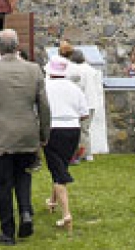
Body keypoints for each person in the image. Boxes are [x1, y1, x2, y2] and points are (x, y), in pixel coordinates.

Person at [0, 29, 51, 245]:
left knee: (3, 183)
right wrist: (44, 133)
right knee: (24, 176)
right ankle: (25, 212)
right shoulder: (34, 70)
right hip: (28, 132)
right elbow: (44, 105)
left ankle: (7, 231)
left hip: (2, 134)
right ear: (17, 45)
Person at [41, 56, 88, 235]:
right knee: (61, 165)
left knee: (58, 170)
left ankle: (66, 213)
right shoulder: (74, 88)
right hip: (73, 129)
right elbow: (84, 113)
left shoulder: (44, 87)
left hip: (52, 129)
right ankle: (53, 201)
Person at [67, 49, 101, 162]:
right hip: (91, 103)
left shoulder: (78, 70)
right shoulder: (90, 69)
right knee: (84, 129)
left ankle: (86, 154)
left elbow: (78, 87)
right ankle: (83, 153)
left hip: (83, 103)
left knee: (82, 130)